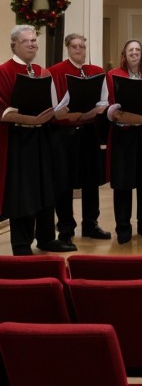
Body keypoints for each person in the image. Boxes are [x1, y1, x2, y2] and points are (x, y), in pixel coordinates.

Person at [0, 26, 71, 255]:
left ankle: (46, 238)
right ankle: (21, 244)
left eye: (34, 41)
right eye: (27, 41)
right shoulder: (3, 71)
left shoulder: (42, 71)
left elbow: (51, 103)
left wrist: (59, 112)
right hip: (18, 141)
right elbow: (2, 112)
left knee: (45, 187)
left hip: (42, 138)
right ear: (15, 44)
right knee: (22, 192)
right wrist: (30, 120)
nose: (32, 44)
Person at [48, 32, 109, 245]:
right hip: (63, 134)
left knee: (90, 180)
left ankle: (91, 224)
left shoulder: (96, 71)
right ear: (68, 48)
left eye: (81, 46)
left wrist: (90, 113)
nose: (78, 50)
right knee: (63, 182)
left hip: (88, 131)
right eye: (74, 46)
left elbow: (103, 100)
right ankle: (65, 228)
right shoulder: (55, 72)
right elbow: (52, 104)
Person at [106, 39, 142, 244]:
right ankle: (123, 227)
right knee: (123, 184)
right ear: (124, 54)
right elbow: (109, 105)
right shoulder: (113, 76)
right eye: (131, 50)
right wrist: (118, 114)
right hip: (123, 136)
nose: (134, 53)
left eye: (138, 49)